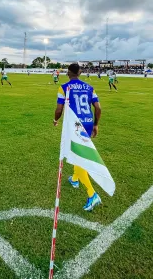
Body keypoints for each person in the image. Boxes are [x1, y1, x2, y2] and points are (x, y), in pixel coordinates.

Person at [54, 63, 102, 211]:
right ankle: (75, 179)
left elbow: (59, 109)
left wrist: (56, 120)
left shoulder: (64, 87)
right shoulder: (89, 87)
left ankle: (92, 194)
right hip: (87, 123)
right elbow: (98, 107)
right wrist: (95, 124)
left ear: (68, 73)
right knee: (78, 152)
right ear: (80, 73)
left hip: (74, 125)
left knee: (77, 156)